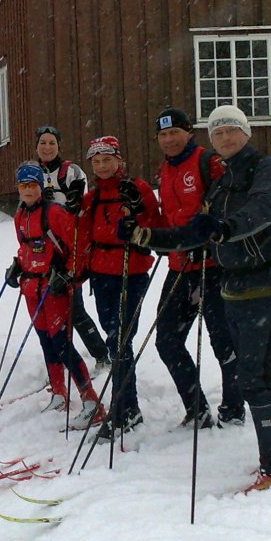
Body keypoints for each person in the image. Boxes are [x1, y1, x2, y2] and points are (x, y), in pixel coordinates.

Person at [120, 105, 271, 493]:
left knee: (254, 374)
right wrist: (146, 237)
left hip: (264, 281)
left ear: (246, 132)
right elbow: (194, 232)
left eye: (232, 131)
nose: (226, 138)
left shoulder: (268, 169)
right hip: (236, 281)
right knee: (264, 370)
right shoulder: (223, 179)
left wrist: (222, 227)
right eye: (219, 133)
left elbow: (260, 213)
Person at [149, 107, 241, 429]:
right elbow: (168, 218)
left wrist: (211, 231)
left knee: (223, 342)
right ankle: (197, 408)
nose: (169, 139)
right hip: (179, 266)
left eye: (175, 132)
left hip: (212, 265)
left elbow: (230, 205)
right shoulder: (165, 170)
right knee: (167, 341)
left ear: (189, 132)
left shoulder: (208, 162)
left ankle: (233, 408)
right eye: (163, 134)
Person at [5, 162, 105, 426]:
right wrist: (17, 266)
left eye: (32, 185)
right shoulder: (20, 216)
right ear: (18, 188)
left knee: (62, 344)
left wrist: (68, 274)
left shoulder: (55, 213)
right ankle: (59, 393)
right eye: (23, 185)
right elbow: (26, 247)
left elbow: (78, 244)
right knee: (46, 341)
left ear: (41, 187)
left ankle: (91, 400)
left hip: (54, 288)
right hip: (32, 289)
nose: (28, 190)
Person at [77, 135, 161, 440]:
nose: (101, 167)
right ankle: (130, 406)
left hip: (131, 271)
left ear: (119, 161)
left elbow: (155, 225)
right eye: (96, 162)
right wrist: (78, 272)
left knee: (120, 340)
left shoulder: (136, 189)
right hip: (101, 275)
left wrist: (137, 212)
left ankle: (123, 408)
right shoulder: (93, 196)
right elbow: (83, 235)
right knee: (115, 341)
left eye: (107, 160)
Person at [32, 125, 109, 368]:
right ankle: (61, 359)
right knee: (48, 310)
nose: (47, 147)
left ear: (59, 146)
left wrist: (63, 199)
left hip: (67, 246)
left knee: (74, 309)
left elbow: (77, 207)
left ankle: (100, 354)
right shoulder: (31, 170)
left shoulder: (71, 171)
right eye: (43, 143)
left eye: (52, 143)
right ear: (36, 146)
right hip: (42, 247)